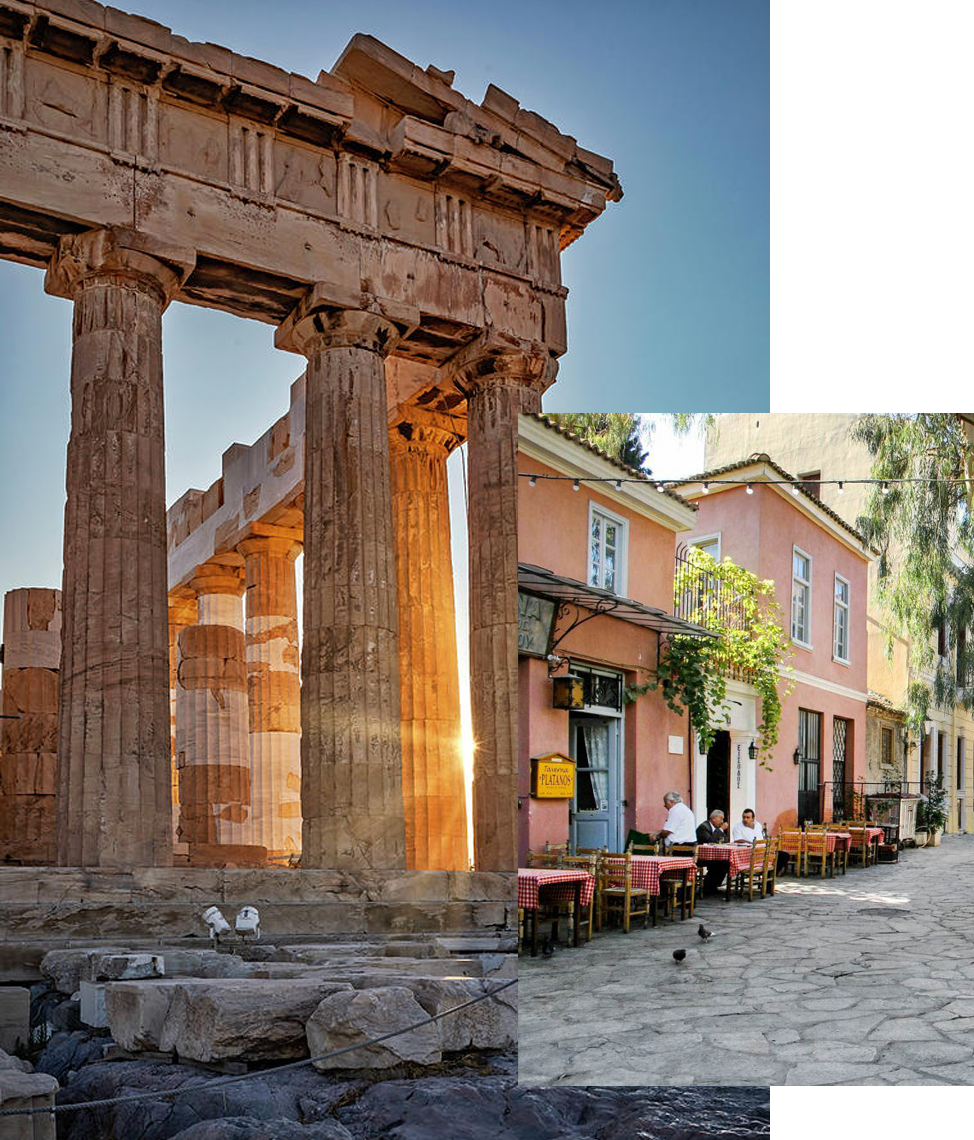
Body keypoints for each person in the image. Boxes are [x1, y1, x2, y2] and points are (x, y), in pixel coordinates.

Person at [695, 808, 730, 897]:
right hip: (701, 856)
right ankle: (708, 887)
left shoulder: (716, 828)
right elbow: (710, 840)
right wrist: (721, 829)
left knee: (725, 862)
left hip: (713, 855)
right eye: (721, 819)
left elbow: (725, 840)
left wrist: (720, 832)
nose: (722, 822)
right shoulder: (704, 827)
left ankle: (712, 886)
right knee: (719, 863)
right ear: (713, 818)